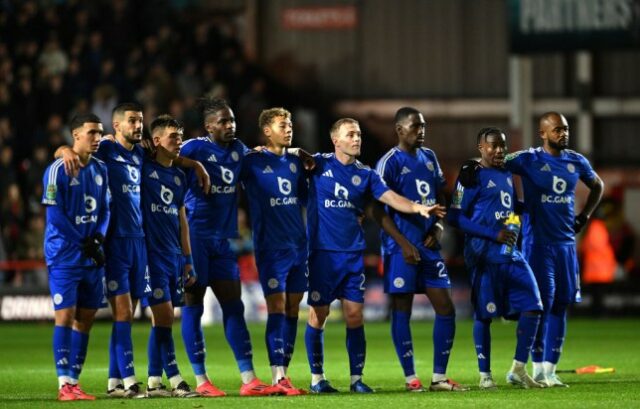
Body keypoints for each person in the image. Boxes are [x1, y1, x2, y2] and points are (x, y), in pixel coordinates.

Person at [57, 103, 210, 398]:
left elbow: (169, 158)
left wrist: (195, 165)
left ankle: (116, 381)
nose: (138, 126)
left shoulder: (142, 155)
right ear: (117, 125)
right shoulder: (105, 150)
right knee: (126, 313)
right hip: (115, 243)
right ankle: (131, 380)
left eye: (140, 121)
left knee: (131, 313)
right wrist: (63, 151)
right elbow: (76, 150)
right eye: (132, 121)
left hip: (141, 243)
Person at [304, 118, 445, 394]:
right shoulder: (319, 165)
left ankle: (356, 379)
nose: (356, 139)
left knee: (355, 316)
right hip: (322, 255)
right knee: (318, 315)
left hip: (352, 255)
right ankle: (317, 378)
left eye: (358, 134)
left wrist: (418, 208)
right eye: (350, 135)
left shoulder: (366, 174)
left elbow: (390, 197)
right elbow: (293, 157)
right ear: (336, 140)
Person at [179, 97, 275, 397]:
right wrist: (193, 164)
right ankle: (201, 380)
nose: (230, 125)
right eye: (223, 121)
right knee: (193, 306)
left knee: (235, 306)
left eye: (231, 120)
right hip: (196, 237)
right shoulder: (194, 148)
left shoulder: (238, 151)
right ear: (209, 126)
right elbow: (163, 159)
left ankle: (248, 378)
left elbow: (262, 163)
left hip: (224, 239)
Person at [503, 112, 604, 387]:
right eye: (557, 129)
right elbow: (496, 164)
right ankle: (534, 369)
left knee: (561, 305)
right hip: (538, 245)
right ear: (543, 133)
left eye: (566, 129)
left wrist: (584, 217)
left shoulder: (576, 161)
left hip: (566, 247)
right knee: (542, 305)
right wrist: (512, 204)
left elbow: (598, 186)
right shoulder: (529, 158)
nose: (563, 133)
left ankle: (550, 370)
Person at [374, 107, 466, 392]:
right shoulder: (388, 162)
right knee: (402, 309)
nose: (421, 131)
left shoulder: (430, 157)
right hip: (400, 247)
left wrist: (438, 227)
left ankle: (439, 377)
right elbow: (378, 210)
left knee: (446, 308)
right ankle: (410, 378)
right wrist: (403, 244)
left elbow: (440, 194)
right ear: (400, 130)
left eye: (423, 126)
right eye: (415, 126)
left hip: (429, 246)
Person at [448, 127, 544, 390]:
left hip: (509, 252)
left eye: (502, 145)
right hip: (483, 255)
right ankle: (485, 375)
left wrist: (528, 210)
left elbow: (510, 207)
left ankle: (518, 369)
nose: (499, 150)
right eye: (493, 146)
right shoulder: (471, 175)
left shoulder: (506, 172)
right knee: (485, 314)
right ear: (481, 147)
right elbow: (454, 217)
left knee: (534, 305)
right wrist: (493, 233)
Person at [240, 108, 308, 395]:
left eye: (290, 124)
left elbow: (305, 198)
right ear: (267, 130)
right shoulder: (252, 162)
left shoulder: (296, 163)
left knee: (293, 308)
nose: (289, 128)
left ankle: (285, 374)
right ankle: (277, 375)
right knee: (277, 307)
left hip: (298, 246)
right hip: (271, 248)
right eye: (283, 125)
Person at [42, 113, 110, 401]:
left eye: (99, 133)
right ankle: (63, 385)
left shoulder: (101, 169)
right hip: (64, 256)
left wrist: (99, 238)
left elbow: (106, 209)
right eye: (91, 133)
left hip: (91, 256)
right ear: (75, 135)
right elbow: (54, 215)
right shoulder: (58, 169)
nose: (97, 138)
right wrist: (83, 242)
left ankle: (74, 381)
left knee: (86, 319)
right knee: (65, 316)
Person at [140, 115, 199, 398]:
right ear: (156, 140)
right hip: (150, 254)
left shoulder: (178, 176)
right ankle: (175, 378)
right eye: (173, 137)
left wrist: (188, 259)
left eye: (180, 136)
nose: (179, 142)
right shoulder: (142, 168)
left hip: (173, 254)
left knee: (163, 319)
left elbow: (182, 219)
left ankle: (153, 380)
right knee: (163, 315)